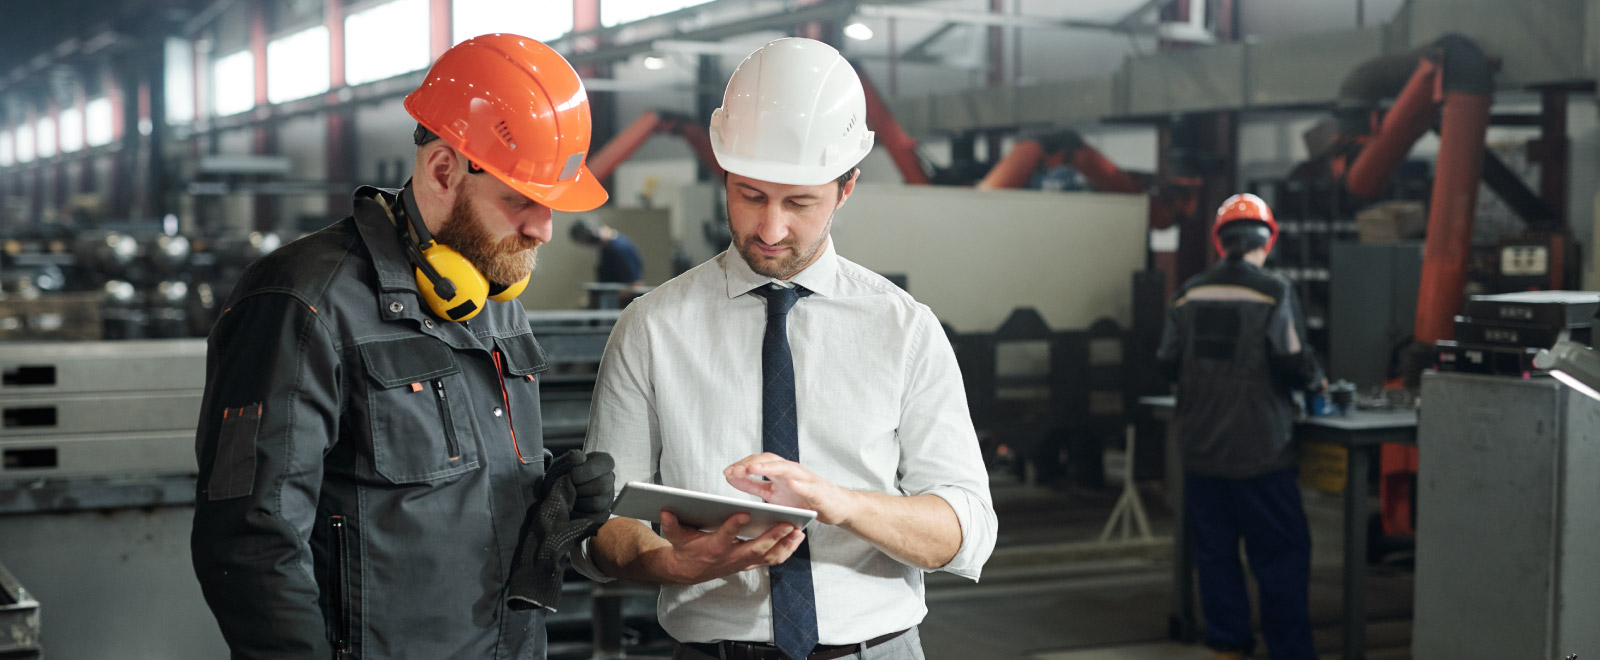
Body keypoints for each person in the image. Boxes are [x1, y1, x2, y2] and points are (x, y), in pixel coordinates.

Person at [190, 34, 615, 659]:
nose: (543, 229)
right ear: (444, 169)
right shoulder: (304, 302)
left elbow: (458, 498)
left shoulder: (495, 300)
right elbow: (249, 543)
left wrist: (558, 499)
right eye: (523, 199)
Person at [575, 37, 997, 660]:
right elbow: (600, 528)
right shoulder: (651, 327)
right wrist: (675, 562)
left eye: (799, 202)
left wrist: (841, 503)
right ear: (723, 172)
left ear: (847, 187)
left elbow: (965, 533)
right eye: (750, 196)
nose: (770, 230)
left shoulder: (903, 329)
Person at [1157, 193, 1327, 660]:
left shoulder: (1187, 293)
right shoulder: (1274, 291)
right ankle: (1288, 651)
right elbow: (1292, 361)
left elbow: (1167, 362)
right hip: (1262, 452)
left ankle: (1228, 647)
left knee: (1215, 556)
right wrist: (1318, 380)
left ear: (1219, 241)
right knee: (1281, 557)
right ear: (1267, 239)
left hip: (1201, 450)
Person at [570, 216, 646, 286]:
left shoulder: (619, 249)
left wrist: (611, 296)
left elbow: (636, 284)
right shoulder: (607, 249)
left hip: (623, 300)